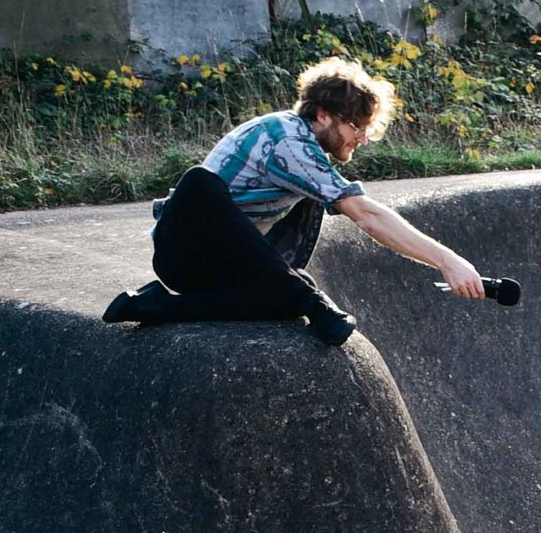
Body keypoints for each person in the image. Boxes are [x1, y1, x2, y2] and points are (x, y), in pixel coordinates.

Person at [103, 56, 484, 345]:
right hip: (184, 252)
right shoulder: (286, 138)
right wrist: (446, 260)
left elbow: (355, 206)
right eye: (356, 127)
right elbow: (366, 215)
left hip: (226, 264)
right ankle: (306, 295)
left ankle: (154, 305)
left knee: (308, 223)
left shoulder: (310, 154)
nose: (362, 138)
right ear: (323, 114)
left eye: (367, 129)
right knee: (200, 183)